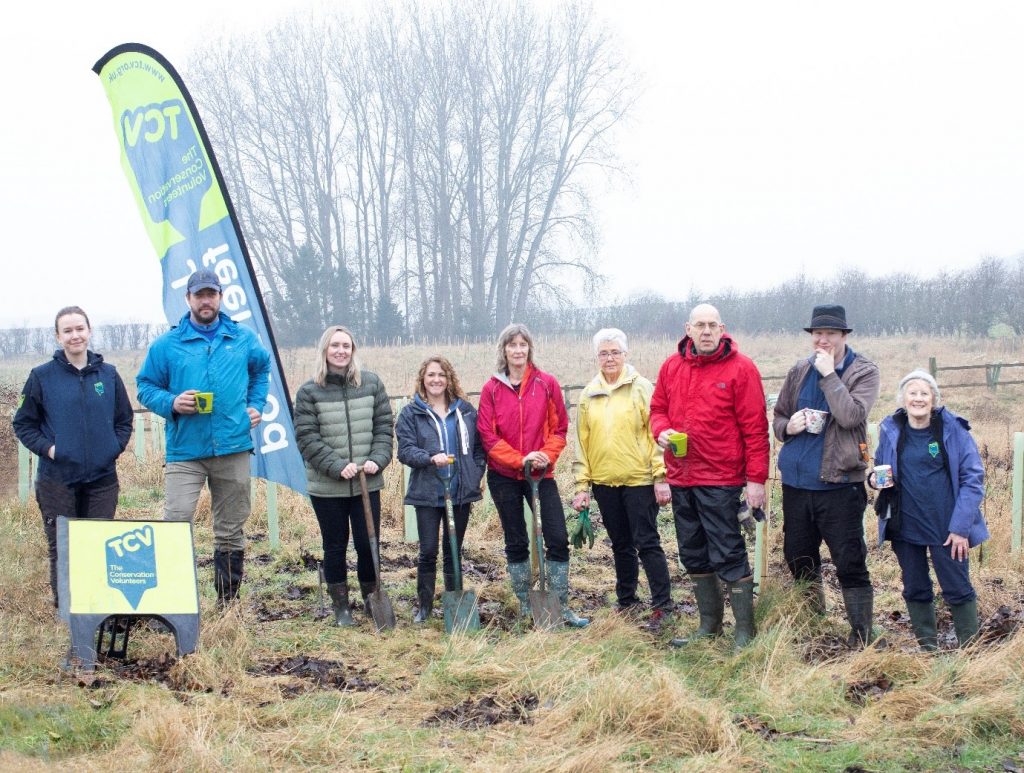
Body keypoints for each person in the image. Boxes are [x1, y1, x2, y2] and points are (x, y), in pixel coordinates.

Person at [137, 269, 271, 606]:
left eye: (211, 294)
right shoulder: (167, 345)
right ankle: (172, 602)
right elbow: (145, 386)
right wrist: (172, 403)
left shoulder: (242, 338)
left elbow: (261, 370)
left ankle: (227, 604)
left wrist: (255, 405)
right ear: (189, 299)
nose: (206, 300)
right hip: (186, 451)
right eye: (199, 295)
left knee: (230, 528)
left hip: (233, 445)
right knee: (176, 522)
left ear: (220, 296)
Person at [650, 303, 768, 648]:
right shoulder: (672, 367)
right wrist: (661, 431)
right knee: (692, 551)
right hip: (681, 476)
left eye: (711, 325)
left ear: (722, 329)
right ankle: (709, 626)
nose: (705, 331)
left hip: (721, 477)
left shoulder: (741, 369)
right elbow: (657, 409)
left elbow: (755, 429)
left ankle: (745, 631)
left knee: (728, 551)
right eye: (699, 325)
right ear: (688, 328)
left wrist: (756, 480)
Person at [772, 304, 880, 647]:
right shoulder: (798, 370)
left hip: (839, 484)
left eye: (830, 334)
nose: (822, 340)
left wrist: (829, 375)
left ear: (844, 336)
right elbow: (778, 419)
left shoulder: (863, 372)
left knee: (849, 559)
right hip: (797, 484)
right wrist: (788, 426)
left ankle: (861, 634)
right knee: (798, 555)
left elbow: (851, 416)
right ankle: (813, 618)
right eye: (817, 334)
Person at [13, 306, 134, 608]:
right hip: (57, 481)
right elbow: (23, 423)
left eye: (80, 328)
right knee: (63, 547)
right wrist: (52, 450)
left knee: (97, 543)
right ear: (58, 336)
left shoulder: (108, 375)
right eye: (67, 331)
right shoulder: (41, 377)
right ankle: (67, 610)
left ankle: (95, 606)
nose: (75, 335)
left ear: (89, 331)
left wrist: (112, 448)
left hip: (102, 479)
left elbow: (124, 420)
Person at [477, 323, 589, 628]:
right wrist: (519, 459)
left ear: (529, 348)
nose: (517, 350)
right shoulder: (492, 389)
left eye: (522, 344)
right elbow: (487, 435)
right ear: (503, 350)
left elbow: (560, 428)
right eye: (511, 345)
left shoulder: (546, 383)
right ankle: (528, 604)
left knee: (557, 536)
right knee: (516, 540)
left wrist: (545, 455)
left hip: (541, 473)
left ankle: (560, 605)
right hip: (504, 476)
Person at [873, 370, 987, 650]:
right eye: (912, 393)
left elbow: (973, 480)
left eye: (924, 393)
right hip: (904, 526)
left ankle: (970, 651)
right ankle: (928, 649)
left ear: (934, 398)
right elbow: (879, 468)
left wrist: (960, 528)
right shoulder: (891, 429)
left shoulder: (953, 430)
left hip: (947, 528)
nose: (918, 398)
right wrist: (872, 480)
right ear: (903, 398)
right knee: (914, 587)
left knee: (957, 588)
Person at [571, 327, 674, 631]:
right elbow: (582, 441)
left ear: (625, 354)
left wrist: (660, 476)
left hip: (639, 480)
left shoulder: (641, 387)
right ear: (596, 357)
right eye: (604, 353)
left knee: (647, 542)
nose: (610, 358)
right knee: (620, 544)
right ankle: (627, 600)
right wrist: (582, 485)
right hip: (605, 482)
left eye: (615, 352)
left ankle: (663, 605)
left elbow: (655, 433)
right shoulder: (589, 394)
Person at [293, 325, 393, 627]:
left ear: (353, 350)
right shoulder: (310, 391)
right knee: (335, 545)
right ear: (325, 350)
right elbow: (307, 438)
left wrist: (377, 459)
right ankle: (340, 607)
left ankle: (370, 598)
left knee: (367, 544)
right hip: (327, 486)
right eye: (335, 345)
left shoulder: (371, 384)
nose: (341, 351)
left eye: (346, 346)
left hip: (366, 482)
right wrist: (337, 465)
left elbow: (384, 427)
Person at [396, 356, 485, 623]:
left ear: (449, 379)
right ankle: (424, 606)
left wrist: (475, 472)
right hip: (427, 492)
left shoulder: (465, 411)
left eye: (441, 375)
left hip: (459, 492)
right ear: (423, 379)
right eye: (431, 375)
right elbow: (405, 450)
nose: (436, 380)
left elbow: (480, 448)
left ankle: (454, 604)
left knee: (453, 549)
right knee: (428, 551)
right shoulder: (412, 413)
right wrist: (429, 458)